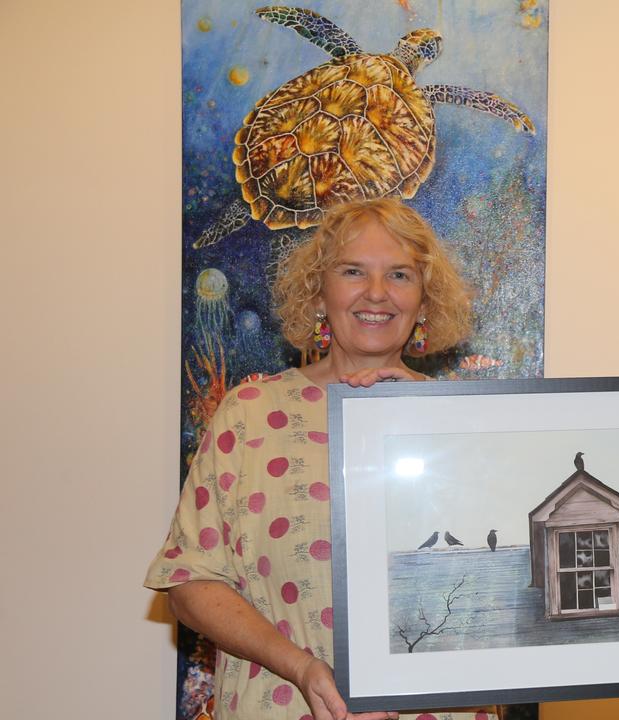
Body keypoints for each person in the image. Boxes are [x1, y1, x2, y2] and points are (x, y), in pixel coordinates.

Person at [146, 198, 472, 720]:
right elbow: (190, 582)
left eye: (400, 275)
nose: (376, 293)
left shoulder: (471, 424)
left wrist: (442, 416)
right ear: (319, 293)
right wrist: (300, 668)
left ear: (425, 299)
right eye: (352, 271)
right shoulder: (248, 415)